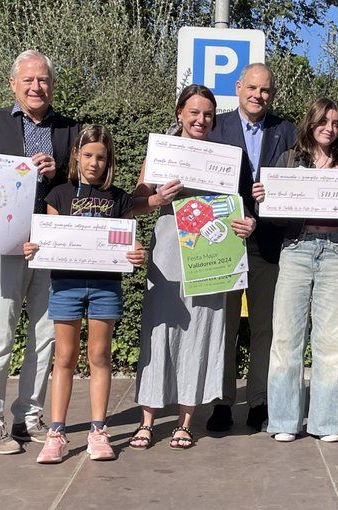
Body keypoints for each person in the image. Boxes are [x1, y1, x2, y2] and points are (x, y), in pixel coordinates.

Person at [0, 50, 80, 454]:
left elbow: (84, 184)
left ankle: (28, 415)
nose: (36, 87)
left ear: (52, 85)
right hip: (3, 241)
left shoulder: (69, 129)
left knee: (45, 334)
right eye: (28, 80)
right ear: (13, 84)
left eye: (43, 80)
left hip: (50, 239)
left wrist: (57, 173)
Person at [130, 85, 256, 449]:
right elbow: (136, 202)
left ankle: (186, 421)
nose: (201, 120)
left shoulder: (226, 157)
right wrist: (157, 198)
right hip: (169, 246)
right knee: (159, 329)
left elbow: (239, 207)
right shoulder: (162, 152)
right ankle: (147, 419)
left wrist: (248, 223)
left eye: (208, 115)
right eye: (194, 113)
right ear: (179, 114)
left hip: (211, 248)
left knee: (202, 329)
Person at [23, 125, 145, 463]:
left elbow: (130, 242)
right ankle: (57, 432)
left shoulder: (120, 199)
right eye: (88, 155)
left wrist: (138, 252)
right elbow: (46, 242)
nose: (94, 163)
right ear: (77, 156)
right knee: (63, 357)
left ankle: (98, 431)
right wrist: (35, 247)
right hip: (66, 285)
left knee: (100, 357)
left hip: (106, 287)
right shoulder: (58, 195)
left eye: (101, 157)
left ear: (109, 162)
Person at [252, 98, 338, 442]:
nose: (329, 128)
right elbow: (274, 216)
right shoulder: (289, 158)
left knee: (332, 340)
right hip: (296, 250)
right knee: (286, 337)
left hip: (334, 250)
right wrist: (263, 198)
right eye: (323, 121)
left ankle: (327, 423)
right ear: (311, 122)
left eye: (335, 122)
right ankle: (284, 421)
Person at [206, 63, 297, 432]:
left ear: (272, 95)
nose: (258, 95)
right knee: (222, 326)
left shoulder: (287, 131)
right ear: (239, 87)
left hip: (268, 242)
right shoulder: (216, 127)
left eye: (266, 90)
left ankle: (259, 400)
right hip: (223, 240)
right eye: (252, 88)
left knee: (265, 327)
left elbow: (295, 185)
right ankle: (222, 401)